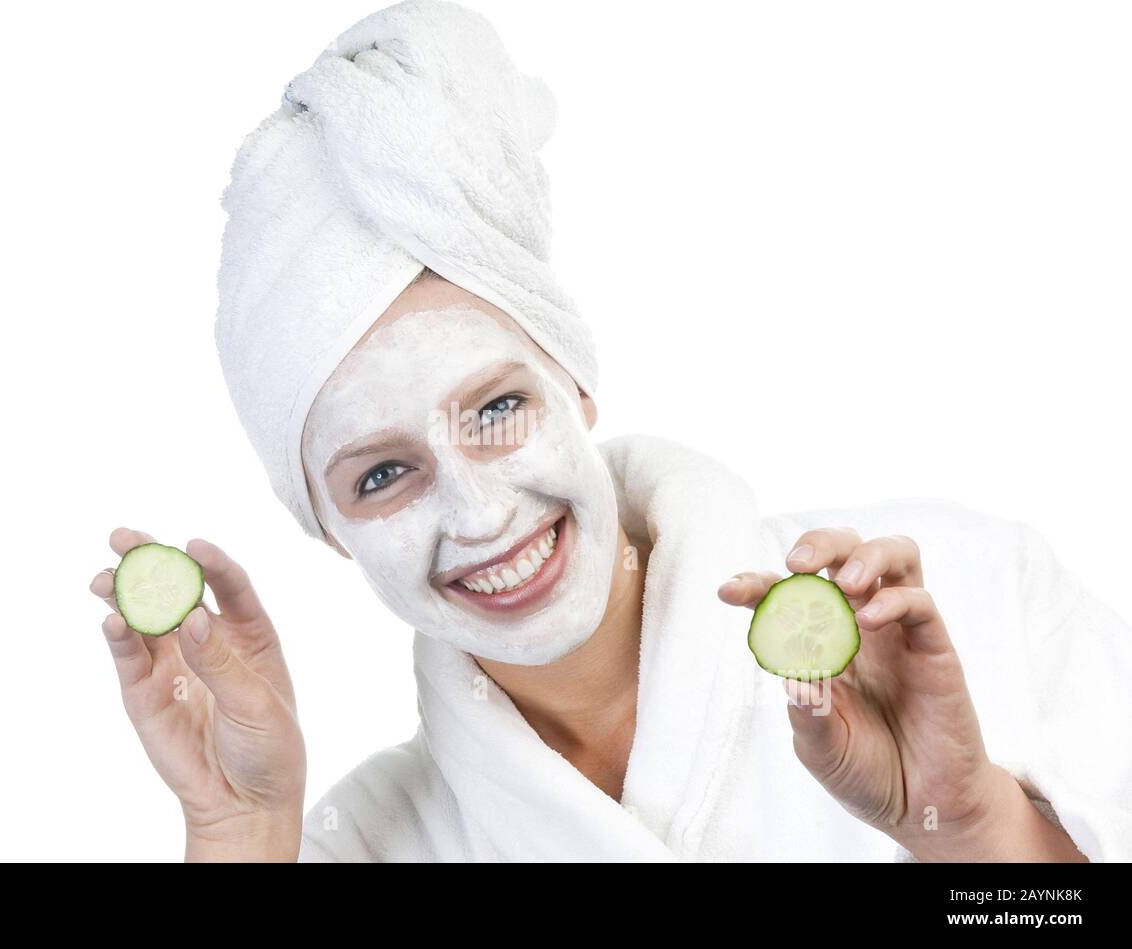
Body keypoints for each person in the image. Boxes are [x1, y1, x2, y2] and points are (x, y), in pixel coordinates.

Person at [88, 0, 1132, 862]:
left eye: (499, 408)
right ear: (326, 526)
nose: (479, 510)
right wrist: (236, 826)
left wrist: (972, 822)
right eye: (384, 474)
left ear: (574, 381)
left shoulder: (966, 597)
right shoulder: (357, 845)